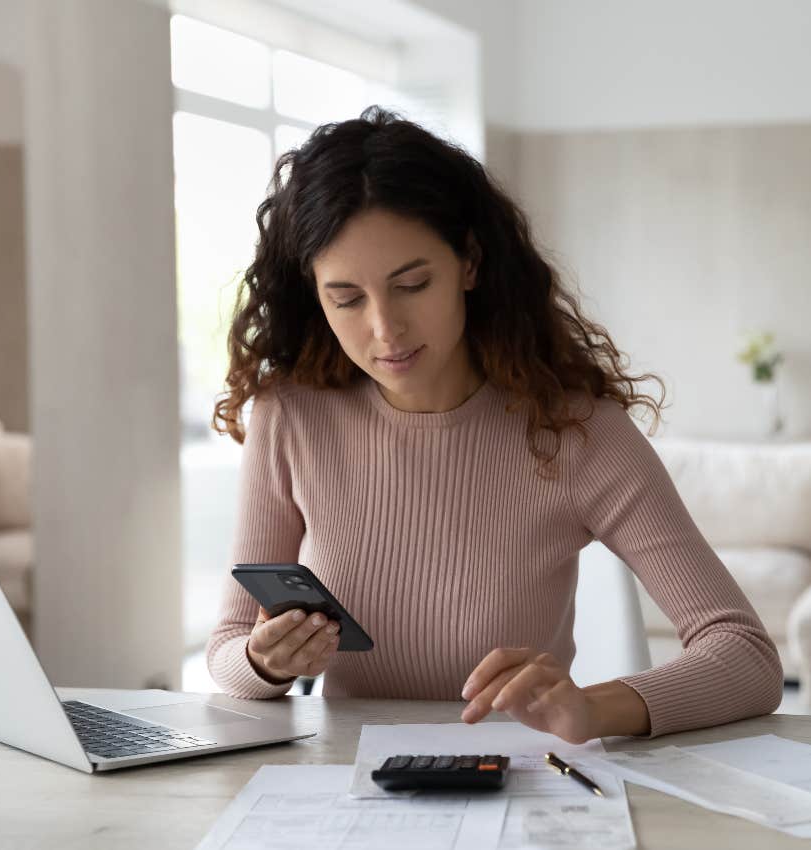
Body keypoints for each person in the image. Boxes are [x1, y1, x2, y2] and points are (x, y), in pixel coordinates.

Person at [206, 106, 782, 743]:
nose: (384, 329)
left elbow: (747, 657)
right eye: (346, 298)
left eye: (413, 284)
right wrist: (265, 661)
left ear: (470, 264)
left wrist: (593, 708)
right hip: (346, 785)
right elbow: (229, 651)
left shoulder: (576, 430)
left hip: (517, 786)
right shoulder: (292, 416)